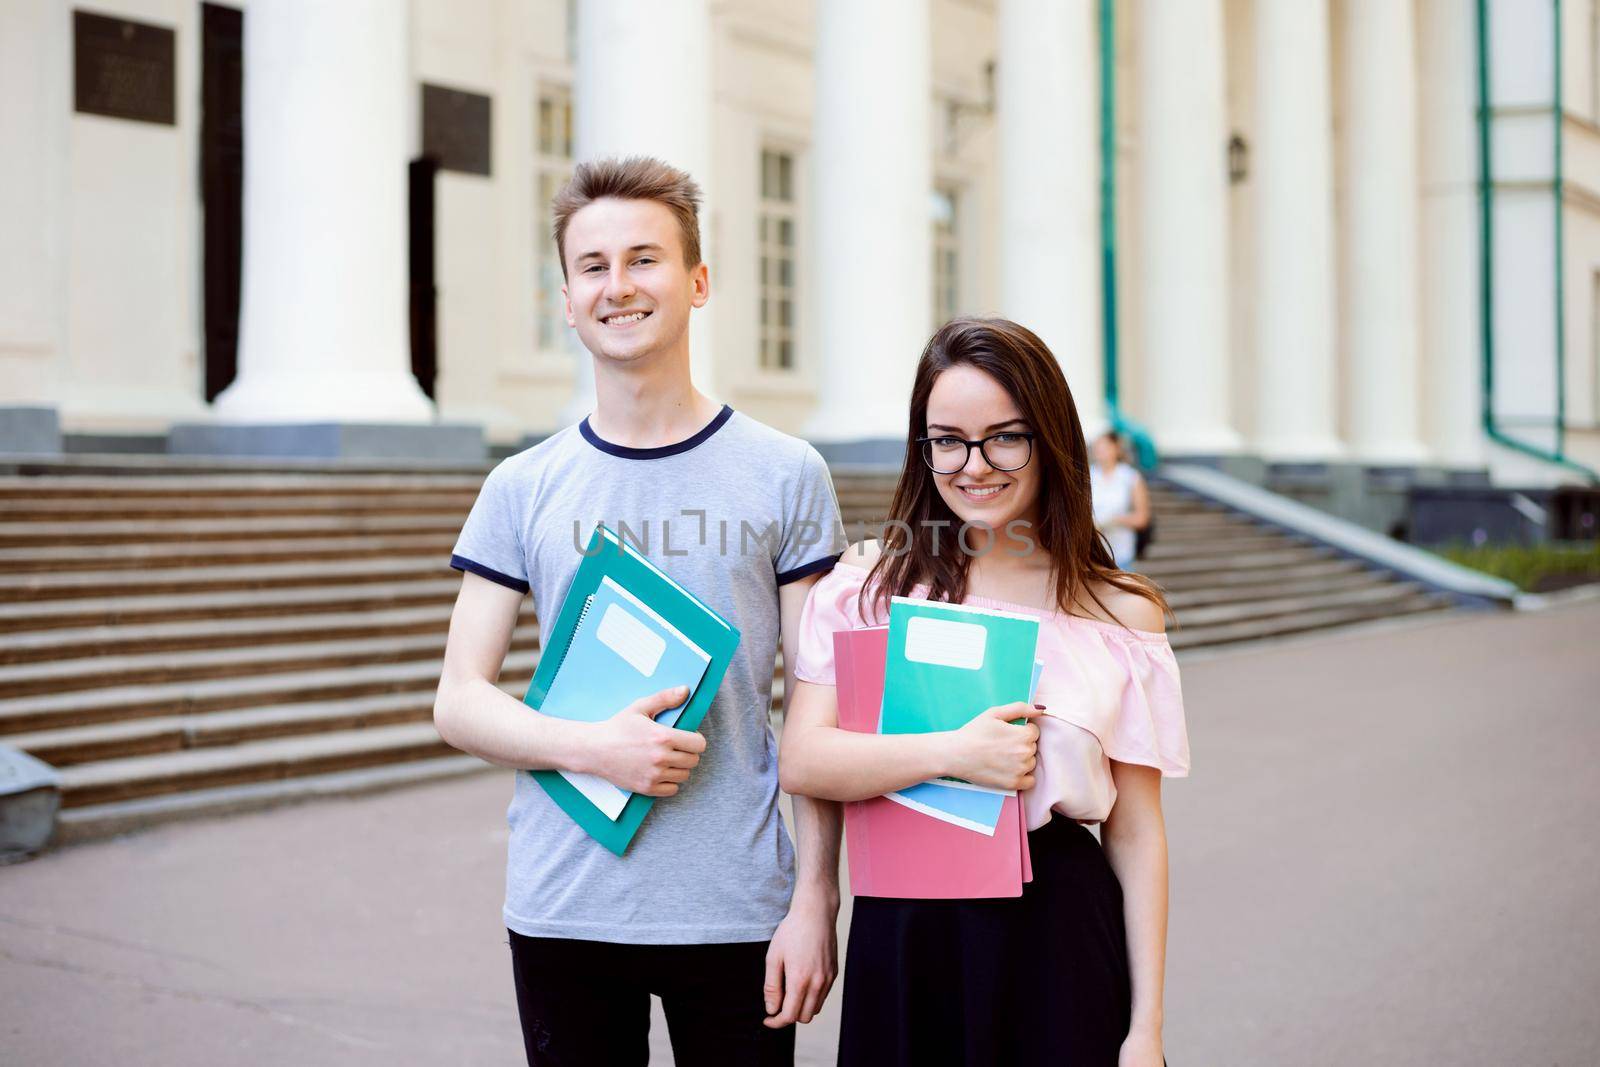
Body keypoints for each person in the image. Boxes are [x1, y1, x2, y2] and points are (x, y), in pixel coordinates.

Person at [434, 156, 846, 1066]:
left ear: (698, 281)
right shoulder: (521, 486)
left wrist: (817, 896)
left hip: (738, 904)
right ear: (567, 301)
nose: (618, 286)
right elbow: (457, 697)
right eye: (593, 266)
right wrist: (590, 746)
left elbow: (820, 702)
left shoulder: (788, 473)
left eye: (644, 259)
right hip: (566, 904)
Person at [778, 317, 1189, 1066]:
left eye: (1005, 436)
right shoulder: (870, 588)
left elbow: (1136, 830)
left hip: (1057, 933)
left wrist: (1148, 1028)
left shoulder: (1119, 611)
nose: (975, 465)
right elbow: (803, 759)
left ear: (1050, 438)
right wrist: (958, 752)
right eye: (948, 440)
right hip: (904, 927)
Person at [1090, 431, 1152, 570]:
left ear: (1116, 448)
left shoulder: (1130, 477)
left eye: (1105, 447)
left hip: (1121, 553)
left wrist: (1113, 520)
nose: (1101, 451)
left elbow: (1142, 518)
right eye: (1098, 447)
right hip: (1093, 554)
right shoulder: (1087, 476)